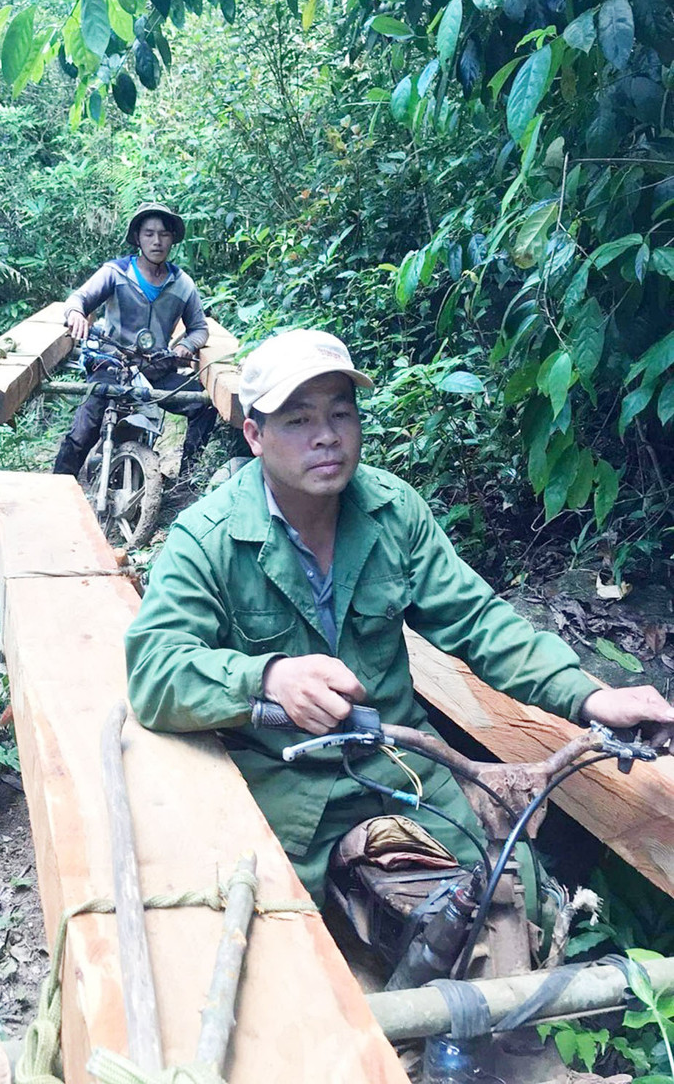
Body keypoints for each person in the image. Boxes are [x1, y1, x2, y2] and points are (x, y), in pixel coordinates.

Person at [126, 328, 674, 906]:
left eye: (341, 414)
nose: (327, 438)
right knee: (274, 945)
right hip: (283, 783)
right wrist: (267, 678)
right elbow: (155, 672)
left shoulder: (392, 512)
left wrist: (589, 698)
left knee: (513, 901)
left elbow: (479, 621)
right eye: (298, 421)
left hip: (400, 761)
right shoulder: (207, 540)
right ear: (255, 436)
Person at [53, 202, 216, 478]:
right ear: (138, 238)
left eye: (164, 234)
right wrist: (76, 313)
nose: (157, 241)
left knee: (203, 404)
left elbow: (200, 328)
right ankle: (59, 486)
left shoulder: (182, 283)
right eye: (149, 233)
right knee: (83, 429)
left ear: (172, 239)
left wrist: (186, 345)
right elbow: (78, 299)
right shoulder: (115, 273)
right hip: (112, 366)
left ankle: (187, 480)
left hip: (157, 370)